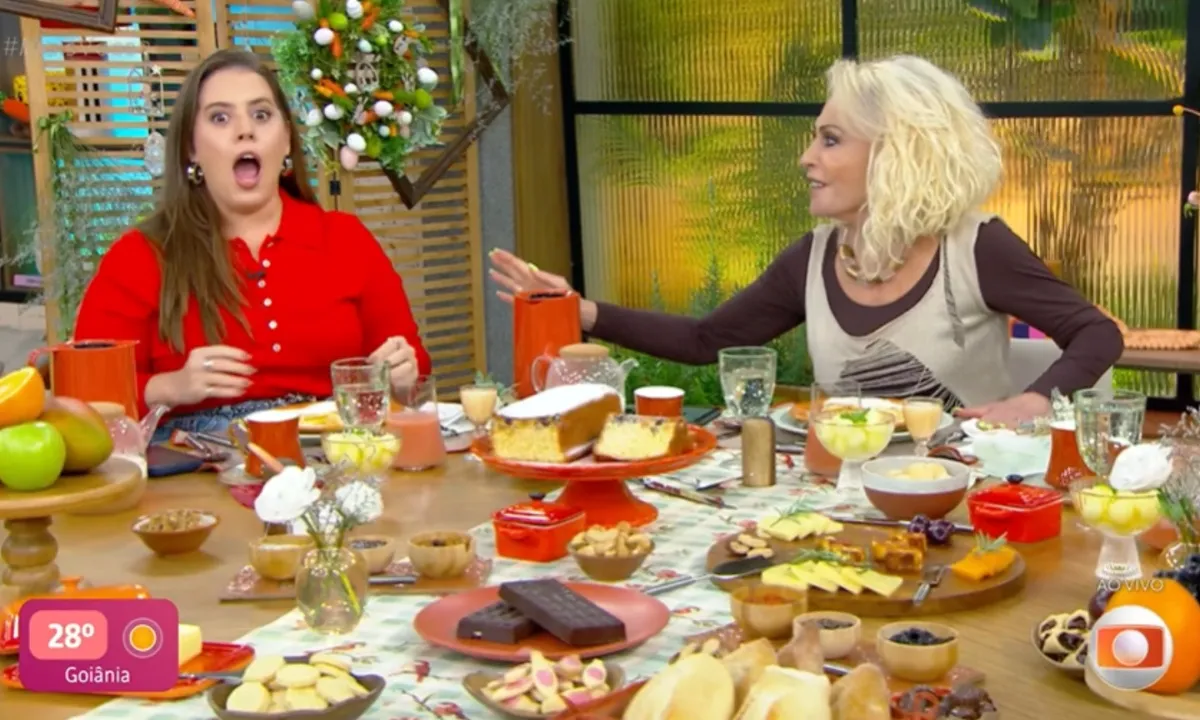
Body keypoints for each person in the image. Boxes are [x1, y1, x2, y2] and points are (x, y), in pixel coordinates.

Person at [489, 55, 1123, 427]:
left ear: (897, 154)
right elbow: (706, 341)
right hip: (843, 497)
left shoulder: (975, 247)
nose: (806, 158)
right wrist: (578, 308)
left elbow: (1098, 333)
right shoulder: (812, 259)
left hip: (964, 498)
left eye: (830, 139)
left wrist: (1033, 400)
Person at [75, 49, 431, 438]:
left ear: (286, 140)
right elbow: (84, 394)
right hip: (196, 457)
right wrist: (170, 387)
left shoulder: (346, 239)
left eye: (261, 115)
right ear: (191, 148)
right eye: (220, 117)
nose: (245, 130)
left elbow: (413, 375)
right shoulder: (140, 255)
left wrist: (401, 377)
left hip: (332, 446)